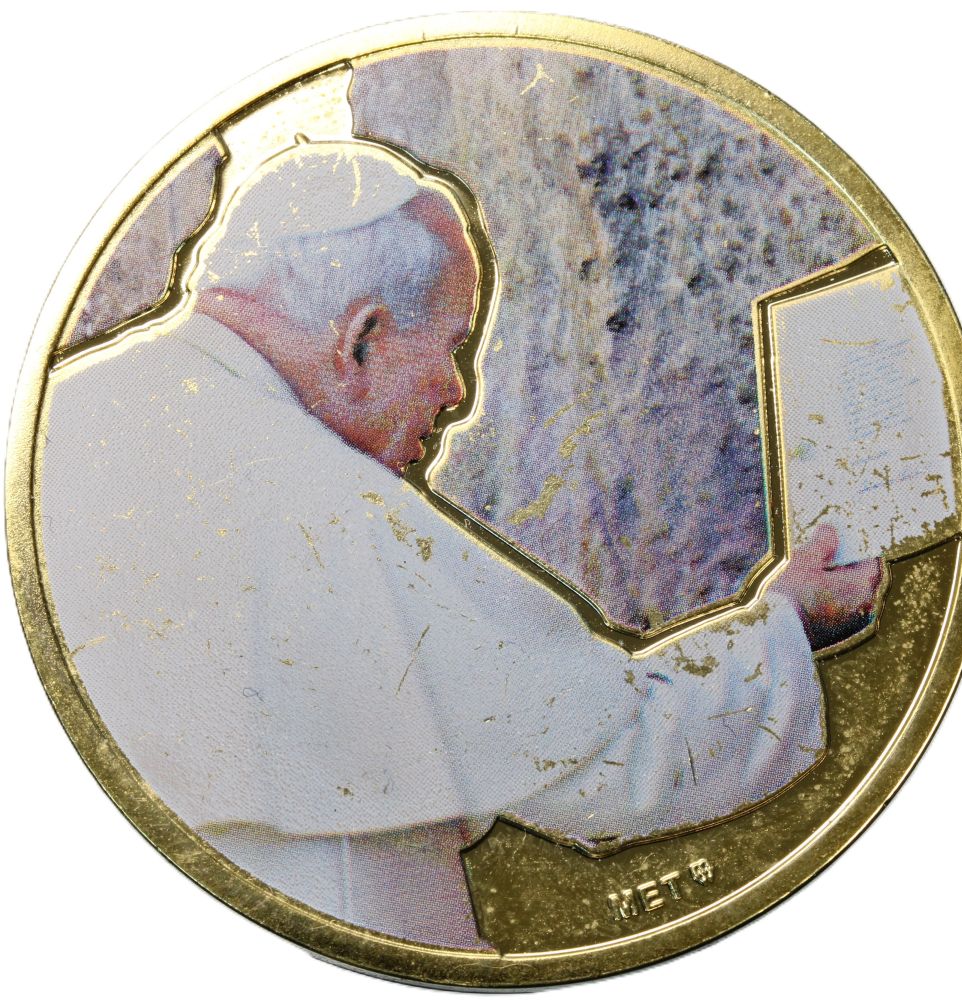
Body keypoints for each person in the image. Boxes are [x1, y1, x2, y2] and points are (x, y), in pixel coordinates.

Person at [37, 135, 882, 948]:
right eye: (451, 346)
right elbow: (617, 751)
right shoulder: (325, 504)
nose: (457, 392)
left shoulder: (47, 430)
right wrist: (786, 625)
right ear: (361, 338)